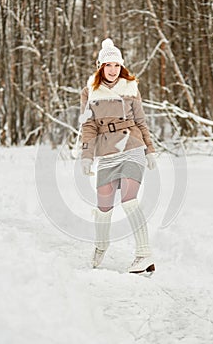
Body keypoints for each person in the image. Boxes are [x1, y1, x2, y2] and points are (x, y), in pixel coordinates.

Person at [80, 38, 156, 273]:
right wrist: (86, 155)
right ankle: (101, 246)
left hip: (132, 146)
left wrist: (150, 149)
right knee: (104, 206)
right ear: (100, 66)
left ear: (121, 67)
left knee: (129, 200)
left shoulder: (130, 88)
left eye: (116, 65)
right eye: (108, 65)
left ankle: (144, 255)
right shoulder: (89, 91)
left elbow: (141, 122)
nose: (112, 70)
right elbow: (88, 125)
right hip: (107, 152)